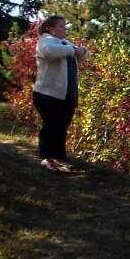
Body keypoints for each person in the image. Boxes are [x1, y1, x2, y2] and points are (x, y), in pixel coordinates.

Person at [32, 15, 86, 172]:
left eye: (65, 26)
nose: (65, 29)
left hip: (67, 95)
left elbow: (81, 55)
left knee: (62, 127)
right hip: (47, 94)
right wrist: (72, 50)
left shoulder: (65, 43)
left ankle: (60, 158)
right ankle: (47, 158)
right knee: (51, 125)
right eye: (62, 26)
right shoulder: (45, 41)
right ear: (51, 28)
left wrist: (81, 50)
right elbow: (50, 52)